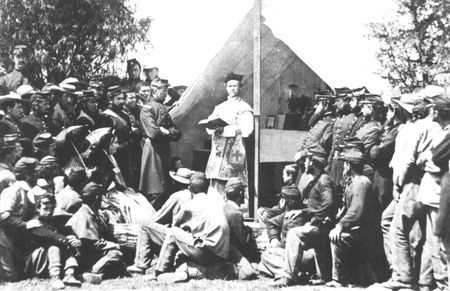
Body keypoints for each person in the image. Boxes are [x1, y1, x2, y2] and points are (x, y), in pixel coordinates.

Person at [269, 144, 335, 287]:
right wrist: (304, 213)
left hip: (322, 227)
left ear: (312, 161)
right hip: (319, 225)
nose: (304, 163)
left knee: (294, 233)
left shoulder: (324, 180)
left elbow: (329, 205)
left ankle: (288, 276)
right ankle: (318, 275)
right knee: (323, 276)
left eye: (306, 159)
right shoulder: (318, 180)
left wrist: (313, 220)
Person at [152, 175, 230, 280]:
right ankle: (184, 271)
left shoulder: (189, 205)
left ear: (189, 189)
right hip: (221, 255)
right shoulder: (216, 203)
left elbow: (175, 228)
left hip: (207, 252)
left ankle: (160, 271)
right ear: (207, 189)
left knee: (173, 233)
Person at [126, 172, 204, 276]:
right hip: (195, 242)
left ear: (176, 182)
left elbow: (157, 219)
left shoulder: (179, 196)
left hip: (178, 239)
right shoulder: (205, 198)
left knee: (145, 225)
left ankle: (139, 266)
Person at [326, 144, 379, 287]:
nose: (343, 167)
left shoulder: (360, 183)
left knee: (337, 237)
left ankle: (339, 279)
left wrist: (340, 226)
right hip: (358, 230)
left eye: (344, 164)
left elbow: (356, 210)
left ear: (348, 166)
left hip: (363, 233)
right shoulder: (356, 182)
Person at [205, 72, 254, 200]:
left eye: (235, 86)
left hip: (233, 151)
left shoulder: (244, 108)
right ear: (226, 87)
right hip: (218, 152)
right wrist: (212, 126)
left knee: (232, 183)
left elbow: (247, 130)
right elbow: (209, 127)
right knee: (216, 182)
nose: (232, 88)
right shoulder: (220, 107)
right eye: (229, 86)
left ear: (240, 87)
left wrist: (226, 129)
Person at [66, 182, 125, 283]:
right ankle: (92, 272)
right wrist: (114, 245)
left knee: (120, 264)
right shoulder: (83, 215)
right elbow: (92, 243)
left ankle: (100, 275)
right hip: (86, 255)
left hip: (93, 252)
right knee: (116, 254)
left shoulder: (93, 213)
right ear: (97, 197)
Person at [21, 194, 81, 289]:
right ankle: (55, 277)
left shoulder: (54, 222)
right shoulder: (33, 223)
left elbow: (65, 233)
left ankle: (70, 274)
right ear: (38, 209)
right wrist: (67, 240)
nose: (49, 212)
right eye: (45, 208)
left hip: (50, 261)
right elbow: (51, 236)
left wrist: (74, 239)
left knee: (65, 241)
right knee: (55, 246)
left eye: (51, 208)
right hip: (34, 263)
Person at [139, 78, 181, 209]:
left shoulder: (161, 107)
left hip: (163, 150)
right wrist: (168, 133)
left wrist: (166, 132)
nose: (166, 94)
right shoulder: (147, 109)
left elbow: (178, 133)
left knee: (164, 185)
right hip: (153, 151)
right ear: (155, 90)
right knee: (155, 186)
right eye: (165, 91)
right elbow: (153, 133)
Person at [223, 178, 258, 280]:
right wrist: (250, 232)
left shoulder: (225, 208)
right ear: (240, 193)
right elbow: (242, 242)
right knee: (250, 272)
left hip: (225, 249)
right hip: (232, 252)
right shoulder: (236, 214)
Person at [101, 86, 134, 188]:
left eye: (123, 98)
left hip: (127, 152)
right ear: (110, 100)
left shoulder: (125, 115)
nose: (122, 101)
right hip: (115, 153)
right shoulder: (106, 116)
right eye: (118, 99)